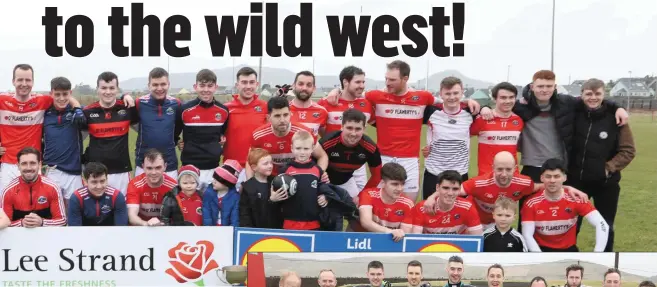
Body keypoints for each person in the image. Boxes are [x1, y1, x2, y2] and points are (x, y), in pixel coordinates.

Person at [479, 70, 628, 232]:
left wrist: (618, 107)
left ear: (555, 87)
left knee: (558, 215)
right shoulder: (520, 106)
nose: (545, 90)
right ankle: (525, 251)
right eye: (540, 86)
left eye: (549, 86)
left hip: (559, 168)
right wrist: (484, 107)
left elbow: (592, 100)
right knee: (527, 215)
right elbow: (500, 105)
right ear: (532, 86)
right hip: (532, 167)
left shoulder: (566, 103)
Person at [325, 60, 481, 201]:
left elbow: (447, 102)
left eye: (392, 80)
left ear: (405, 79)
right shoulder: (376, 95)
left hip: (410, 160)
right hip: (382, 158)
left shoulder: (422, 97)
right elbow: (352, 94)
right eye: (386, 78)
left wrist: (470, 101)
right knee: (377, 203)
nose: (387, 83)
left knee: (407, 204)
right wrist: (337, 91)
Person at [423, 151, 588, 229]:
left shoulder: (523, 183)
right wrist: (432, 197)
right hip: (475, 224)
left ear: (515, 168)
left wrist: (567, 187)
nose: (504, 174)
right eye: (499, 169)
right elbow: (451, 191)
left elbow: (545, 185)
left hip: (500, 224)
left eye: (508, 170)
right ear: (493, 167)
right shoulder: (479, 183)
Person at [569, 78, 636, 252]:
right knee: (570, 226)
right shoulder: (573, 113)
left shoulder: (616, 119)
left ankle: (606, 256)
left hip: (606, 184)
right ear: (582, 94)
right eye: (589, 94)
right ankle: (570, 254)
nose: (593, 97)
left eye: (597, 93)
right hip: (576, 183)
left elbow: (628, 151)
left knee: (606, 225)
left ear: (603, 95)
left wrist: (608, 168)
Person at [521, 158, 609, 252]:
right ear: (542, 178)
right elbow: (527, 235)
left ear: (564, 178)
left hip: (568, 250)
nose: (552, 180)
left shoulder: (576, 199)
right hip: (541, 250)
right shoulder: (531, 203)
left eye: (556, 176)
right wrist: (541, 257)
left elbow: (602, 224)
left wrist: (598, 253)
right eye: (548, 176)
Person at [0, 64, 62, 192]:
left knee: (36, 206)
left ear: (33, 82)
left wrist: (77, 108)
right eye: (20, 80)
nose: (24, 83)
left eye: (27, 80)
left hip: (33, 163)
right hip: (8, 164)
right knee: (5, 206)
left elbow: (65, 98)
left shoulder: (42, 101)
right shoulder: (2, 100)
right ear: (13, 81)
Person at [317, 66, 374, 192]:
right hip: (332, 161)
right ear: (345, 82)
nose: (362, 85)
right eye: (358, 82)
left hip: (358, 160)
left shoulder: (367, 104)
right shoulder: (326, 103)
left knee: (359, 200)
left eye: (363, 82)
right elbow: (320, 130)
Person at [82, 71, 138, 194]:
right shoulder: (87, 112)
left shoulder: (127, 108)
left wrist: (125, 96)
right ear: (97, 89)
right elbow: (77, 141)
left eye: (112, 88)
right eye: (104, 88)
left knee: (122, 209)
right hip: (96, 174)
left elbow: (144, 131)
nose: (108, 92)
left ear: (117, 89)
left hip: (121, 172)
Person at [174, 69, 230, 189]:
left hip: (213, 168)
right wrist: (179, 142)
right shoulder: (184, 110)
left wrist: (222, 139)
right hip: (190, 169)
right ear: (195, 86)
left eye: (210, 86)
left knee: (211, 206)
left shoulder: (223, 111)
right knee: (190, 206)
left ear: (216, 87)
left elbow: (222, 133)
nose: (206, 90)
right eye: (202, 85)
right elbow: (174, 135)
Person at [421, 77, 475, 199]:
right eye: (447, 93)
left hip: (460, 173)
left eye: (456, 93)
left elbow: (487, 112)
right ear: (441, 94)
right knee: (430, 212)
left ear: (462, 92)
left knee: (458, 215)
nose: (452, 97)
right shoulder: (430, 112)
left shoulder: (470, 113)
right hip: (434, 172)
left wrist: (485, 107)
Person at [247, 97, 328, 178]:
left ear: (290, 114)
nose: (282, 120)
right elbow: (250, 161)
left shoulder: (303, 132)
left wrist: (317, 175)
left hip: (299, 176)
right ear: (268, 118)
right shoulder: (258, 135)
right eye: (277, 116)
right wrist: (250, 184)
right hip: (270, 178)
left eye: (285, 115)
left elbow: (322, 156)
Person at [319, 108, 382, 203]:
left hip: (346, 181)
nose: (353, 133)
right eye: (349, 128)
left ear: (364, 129)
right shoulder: (327, 142)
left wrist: (362, 195)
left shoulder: (370, 147)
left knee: (358, 208)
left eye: (358, 129)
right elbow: (312, 168)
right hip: (324, 182)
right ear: (342, 127)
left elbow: (377, 175)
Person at [42, 76, 86, 206]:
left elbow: (102, 106)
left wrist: (124, 96)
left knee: (73, 211)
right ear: (51, 94)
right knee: (52, 210)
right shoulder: (44, 112)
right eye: (57, 94)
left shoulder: (78, 111)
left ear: (70, 93)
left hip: (73, 171)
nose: (61, 98)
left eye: (65, 94)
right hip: (51, 169)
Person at [223, 67, 268, 191]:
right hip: (232, 168)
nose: (248, 86)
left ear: (257, 84)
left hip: (257, 168)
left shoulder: (265, 107)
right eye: (244, 82)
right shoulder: (226, 108)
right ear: (237, 85)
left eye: (251, 82)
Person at [133, 67, 181, 179]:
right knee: (143, 196)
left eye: (163, 84)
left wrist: (178, 140)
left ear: (168, 84)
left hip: (169, 163)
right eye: (155, 85)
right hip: (144, 164)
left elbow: (180, 127)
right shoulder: (139, 103)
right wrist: (124, 95)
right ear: (149, 85)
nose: (159, 88)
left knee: (171, 197)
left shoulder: (176, 104)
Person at [0, 147, 66, 227]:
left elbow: (62, 221)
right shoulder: (8, 191)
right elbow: (4, 224)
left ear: (39, 164)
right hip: (18, 237)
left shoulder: (52, 188)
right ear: (18, 166)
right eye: (24, 163)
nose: (28, 168)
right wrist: (21, 223)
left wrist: (42, 222)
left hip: (46, 237)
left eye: (32, 163)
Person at [276, 131, 328, 230]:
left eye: (306, 148)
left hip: (313, 222)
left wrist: (325, 197)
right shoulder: (285, 170)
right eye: (298, 148)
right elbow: (276, 193)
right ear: (292, 148)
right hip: (290, 222)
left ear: (312, 149)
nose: (302, 152)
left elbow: (325, 189)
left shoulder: (317, 170)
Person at [470, 82, 523, 176]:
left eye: (511, 97)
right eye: (503, 98)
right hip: (487, 177)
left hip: (512, 177)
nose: (508, 101)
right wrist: (483, 108)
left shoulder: (519, 120)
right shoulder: (483, 119)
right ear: (494, 99)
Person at [412, 170, 482, 235]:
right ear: (437, 187)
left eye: (455, 189)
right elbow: (415, 240)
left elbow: (477, 239)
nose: (450, 193)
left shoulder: (467, 208)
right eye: (446, 188)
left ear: (460, 189)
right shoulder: (422, 208)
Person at [357, 162, 414, 242]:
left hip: (390, 243)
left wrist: (399, 233)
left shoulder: (408, 204)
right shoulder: (368, 195)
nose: (400, 189)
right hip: (362, 241)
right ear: (383, 183)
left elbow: (404, 235)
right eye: (395, 184)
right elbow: (366, 222)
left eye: (402, 184)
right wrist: (390, 231)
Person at [126, 148, 178, 226]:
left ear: (165, 166)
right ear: (143, 167)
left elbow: (176, 217)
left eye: (158, 167)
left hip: (164, 229)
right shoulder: (135, 184)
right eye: (149, 168)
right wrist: (147, 224)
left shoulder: (173, 187)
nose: (153, 172)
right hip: (140, 228)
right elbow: (132, 216)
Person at [67, 162, 128, 226]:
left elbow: (121, 228)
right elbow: (75, 230)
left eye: (102, 181)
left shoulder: (116, 196)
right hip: (84, 235)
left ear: (107, 180)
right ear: (85, 181)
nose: (99, 186)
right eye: (94, 182)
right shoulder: (77, 198)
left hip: (111, 234)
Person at [239, 148, 283, 229]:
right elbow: (245, 214)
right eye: (265, 164)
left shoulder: (276, 182)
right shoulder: (248, 187)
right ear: (254, 167)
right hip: (255, 231)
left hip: (276, 230)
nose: (270, 166)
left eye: (271, 163)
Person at [287, 71, 328, 137]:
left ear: (314, 88)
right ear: (294, 86)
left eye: (309, 85)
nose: (304, 88)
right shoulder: (285, 110)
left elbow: (325, 138)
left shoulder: (322, 111)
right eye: (301, 84)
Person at [202, 160, 241, 227]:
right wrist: (208, 228)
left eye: (217, 180)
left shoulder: (235, 198)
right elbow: (206, 212)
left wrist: (231, 231)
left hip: (227, 231)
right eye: (213, 178)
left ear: (227, 183)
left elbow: (235, 218)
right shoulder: (208, 193)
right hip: (211, 230)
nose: (213, 181)